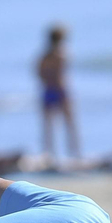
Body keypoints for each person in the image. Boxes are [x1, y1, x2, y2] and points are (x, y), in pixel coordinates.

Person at [36, 23, 80, 160]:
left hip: (48, 90)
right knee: (70, 123)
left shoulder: (44, 55)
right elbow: (61, 75)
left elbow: (39, 73)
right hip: (60, 90)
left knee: (48, 125)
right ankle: (74, 154)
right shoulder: (61, 54)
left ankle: (50, 154)